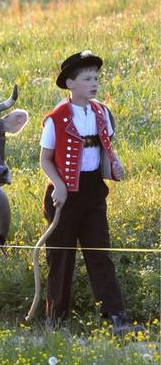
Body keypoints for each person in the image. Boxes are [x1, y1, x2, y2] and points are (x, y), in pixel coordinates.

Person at [39, 51, 144, 335]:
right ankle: (56, 321)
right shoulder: (56, 119)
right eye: (86, 78)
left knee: (100, 254)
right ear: (70, 83)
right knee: (61, 258)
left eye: (95, 78)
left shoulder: (101, 112)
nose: (93, 83)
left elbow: (105, 151)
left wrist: (114, 168)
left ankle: (115, 317)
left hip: (93, 193)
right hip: (63, 196)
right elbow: (45, 159)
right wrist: (59, 187)